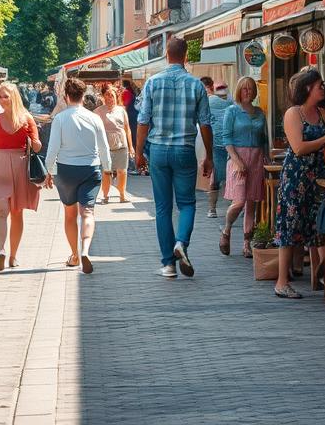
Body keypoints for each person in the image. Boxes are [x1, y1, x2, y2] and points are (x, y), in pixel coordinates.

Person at [134, 37, 213, 278]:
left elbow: (143, 121)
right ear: (185, 55)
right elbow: (205, 123)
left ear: (166, 55)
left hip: (158, 150)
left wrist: (138, 153)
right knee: (187, 203)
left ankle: (168, 264)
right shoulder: (196, 85)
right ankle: (181, 243)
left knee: (163, 207)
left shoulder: (152, 83)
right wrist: (209, 155)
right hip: (184, 149)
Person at [273, 68, 325, 299]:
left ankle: (324, 276)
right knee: (290, 226)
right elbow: (298, 147)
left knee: (319, 225)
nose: (323, 88)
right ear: (308, 88)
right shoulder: (294, 113)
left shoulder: (322, 113)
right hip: (296, 176)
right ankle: (282, 281)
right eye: (320, 85)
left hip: (319, 174)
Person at [46, 77, 111, 274]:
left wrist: (49, 171)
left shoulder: (60, 119)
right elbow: (104, 147)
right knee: (88, 212)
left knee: (70, 214)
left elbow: (52, 150)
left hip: (66, 171)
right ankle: (86, 250)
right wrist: (107, 168)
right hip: (90, 169)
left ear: (66, 96)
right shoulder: (94, 118)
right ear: (83, 96)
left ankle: (74, 254)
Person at [0, 82, 43, 271]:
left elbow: (36, 146)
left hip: (6, 162)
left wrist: (33, 140)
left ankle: (8, 253)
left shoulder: (19, 119)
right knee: (7, 212)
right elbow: (37, 147)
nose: (2, 100)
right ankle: (6, 253)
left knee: (9, 212)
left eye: (6, 96)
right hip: (12, 164)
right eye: (0, 96)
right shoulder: (22, 119)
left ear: (14, 97)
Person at [219, 76, 267, 258]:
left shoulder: (260, 112)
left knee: (252, 203)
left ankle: (247, 243)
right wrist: (237, 161)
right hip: (237, 158)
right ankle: (227, 230)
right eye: (244, 89)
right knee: (239, 201)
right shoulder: (231, 111)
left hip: (256, 158)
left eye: (251, 88)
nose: (248, 92)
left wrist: (266, 157)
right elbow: (226, 139)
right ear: (239, 91)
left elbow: (264, 139)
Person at [96, 84, 132, 204]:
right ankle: (105, 196)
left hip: (122, 144)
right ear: (103, 96)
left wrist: (131, 147)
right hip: (106, 146)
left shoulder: (121, 110)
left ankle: (122, 194)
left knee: (122, 171)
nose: (109, 98)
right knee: (107, 171)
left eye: (112, 95)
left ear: (116, 97)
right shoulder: (98, 111)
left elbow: (127, 129)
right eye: (107, 95)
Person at [203, 77, 232, 218]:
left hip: (215, 143)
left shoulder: (208, 101)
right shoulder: (232, 102)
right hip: (231, 144)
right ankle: (234, 206)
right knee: (231, 176)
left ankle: (212, 208)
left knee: (215, 178)